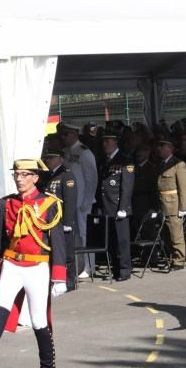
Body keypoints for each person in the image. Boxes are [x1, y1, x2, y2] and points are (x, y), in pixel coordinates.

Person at [0, 158, 67, 368]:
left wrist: (60, 276)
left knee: (38, 321)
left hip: (37, 267)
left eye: (25, 174)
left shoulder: (48, 204)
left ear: (36, 177)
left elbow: (58, 242)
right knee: (0, 306)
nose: (19, 178)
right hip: (12, 263)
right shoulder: (7, 204)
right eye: (17, 174)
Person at [58, 122, 98, 278]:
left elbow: (92, 179)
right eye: (62, 135)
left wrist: (87, 201)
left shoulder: (85, 153)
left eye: (66, 134)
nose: (63, 138)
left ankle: (89, 266)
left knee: (85, 234)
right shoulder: (65, 152)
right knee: (73, 235)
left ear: (75, 134)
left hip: (82, 202)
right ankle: (77, 264)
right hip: (70, 201)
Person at [97, 133, 134, 281]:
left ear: (115, 142)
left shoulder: (125, 160)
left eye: (108, 141)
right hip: (107, 206)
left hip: (118, 205)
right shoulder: (105, 160)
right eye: (103, 141)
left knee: (122, 241)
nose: (105, 144)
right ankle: (116, 268)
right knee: (111, 240)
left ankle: (125, 270)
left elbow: (127, 186)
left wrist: (123, 207)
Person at [40, 147, 78, 291]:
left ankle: (69, 280)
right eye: (47, 158)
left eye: (51, 158)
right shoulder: (48, 176)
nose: (48, 161)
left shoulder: (66, 175)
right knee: (55, 250)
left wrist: (68, 222)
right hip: (51, 219)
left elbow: (70, 200)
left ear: (60, 159)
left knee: (67, 252)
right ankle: (56, 278)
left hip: (63, 220)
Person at [155, 138, 186, 269]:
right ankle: (171, 258)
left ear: (170, 148)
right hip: (163, 204)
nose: (160, 149)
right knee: (166, 235)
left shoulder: (178, 164)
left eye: (162, 146)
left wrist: (183, 207)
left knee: (176, 234)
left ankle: (179, 260)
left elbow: (183, 187)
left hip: (173, 204)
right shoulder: (161, 164)